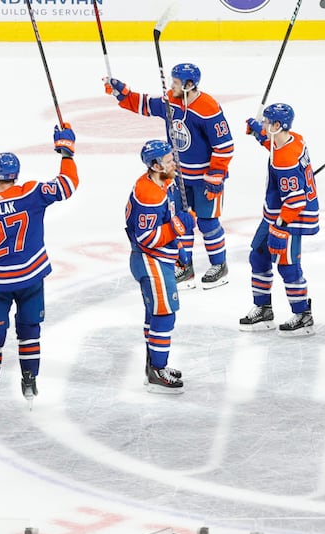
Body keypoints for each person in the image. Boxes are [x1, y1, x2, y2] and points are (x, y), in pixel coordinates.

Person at [0, 124, 77, 416]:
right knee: (29, 332)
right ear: (16, 174)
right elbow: (67, 184)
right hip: (31, 279)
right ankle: (30, 383)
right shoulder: (32, 193)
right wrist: (66, 152)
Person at [105, 63, 235, 288]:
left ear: (189, 85)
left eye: (176, 82)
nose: (171, 86)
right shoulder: (171, 102)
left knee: (207, 222)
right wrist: (122, 93)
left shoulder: (208, 107)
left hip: (205, 179)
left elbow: (225, 146)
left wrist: (216, 175)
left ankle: (219, 265)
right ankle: (185, 266)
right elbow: (145, 105)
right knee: (180, 221)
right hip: (178, 177)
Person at [239, 103, 319, 335]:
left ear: (277, 125)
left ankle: (303, 314)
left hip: (292, 219)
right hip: (276, 214)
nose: (264, 125)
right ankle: (263, 308)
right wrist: (258, 134)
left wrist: (281, 228)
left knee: (288, 265)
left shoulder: (286, 160)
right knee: (258, 255)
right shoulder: (293, 138)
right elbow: (273, 145)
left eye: (266, 123)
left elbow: (295, 201)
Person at [126, 140, 189, 394]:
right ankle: (157, 371)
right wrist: (178, 228)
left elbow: (168, 219)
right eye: (168, 159)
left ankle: (154, 365)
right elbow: (146, 238)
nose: (173, 162)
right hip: (149, 259)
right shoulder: (148, 194)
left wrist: (178, 248)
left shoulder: (162, 183)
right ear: (154, 165)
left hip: (158, 258)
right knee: (165, 314)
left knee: (155, 315)